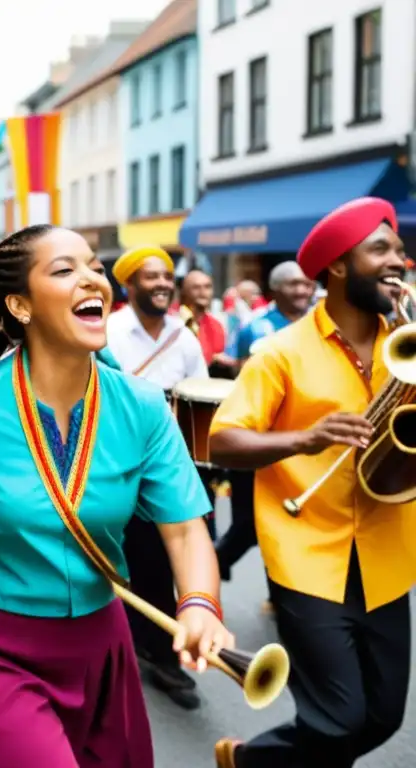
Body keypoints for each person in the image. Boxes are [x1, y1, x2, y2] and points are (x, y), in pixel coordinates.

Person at [0, 225, 231, 767]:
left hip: (99, 649)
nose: (92, 278)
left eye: (94, 265)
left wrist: (200, 603)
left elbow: (184, 529)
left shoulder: (142, 407)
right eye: (65, 270)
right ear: (20, 305)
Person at [209, 197, 415, 768]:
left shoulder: (409, 342)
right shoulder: (279, 353)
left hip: (389, 553)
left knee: (383, 716)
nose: (398, 260)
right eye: (381, 249)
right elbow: (222, 440)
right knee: (338, 719)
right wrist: (303, 439)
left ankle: (252, 762)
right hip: (307, 555)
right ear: (339, 266)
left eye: (399, 249)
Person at [105, 245, 211, 709]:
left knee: (170, 562)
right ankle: (132, 652)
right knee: (130, 563)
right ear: (129, 285)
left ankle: (162, 657)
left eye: (168, 276)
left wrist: (204, 464)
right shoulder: (108, 331)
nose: (164, 283)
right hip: (117, 463)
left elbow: (204, 397)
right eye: (151, 277)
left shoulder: (184, 337)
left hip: (172, 464)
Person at [216, 260, 314, 586]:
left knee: (293, 519)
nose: (302, 290)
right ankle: (211, 568)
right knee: (248, 523)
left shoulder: (320, 324)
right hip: (261, 442)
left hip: (306, 442)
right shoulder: (255, 328)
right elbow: (241, 376)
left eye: (305, 284)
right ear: (275, 290)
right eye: (293, 284)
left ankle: (280, 594)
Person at [180, 268, 236, 377]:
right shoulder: (175, 320)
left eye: (207, 287)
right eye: (196, 287)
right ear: (184, 291)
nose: (203, 291)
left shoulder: (215, 325)